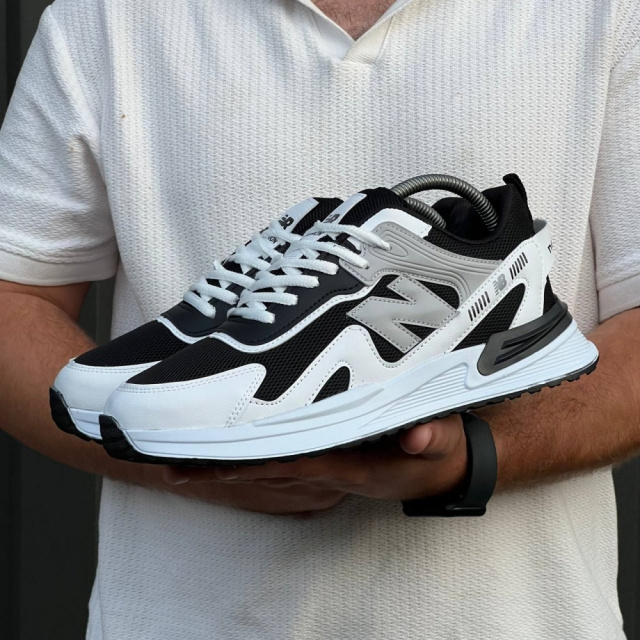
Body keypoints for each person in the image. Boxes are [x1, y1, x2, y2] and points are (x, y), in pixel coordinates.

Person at [0, 0, 639, 638]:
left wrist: (478, 456)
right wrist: (186, 462)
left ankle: (476, 322)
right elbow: (13, 300)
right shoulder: (102, 15)